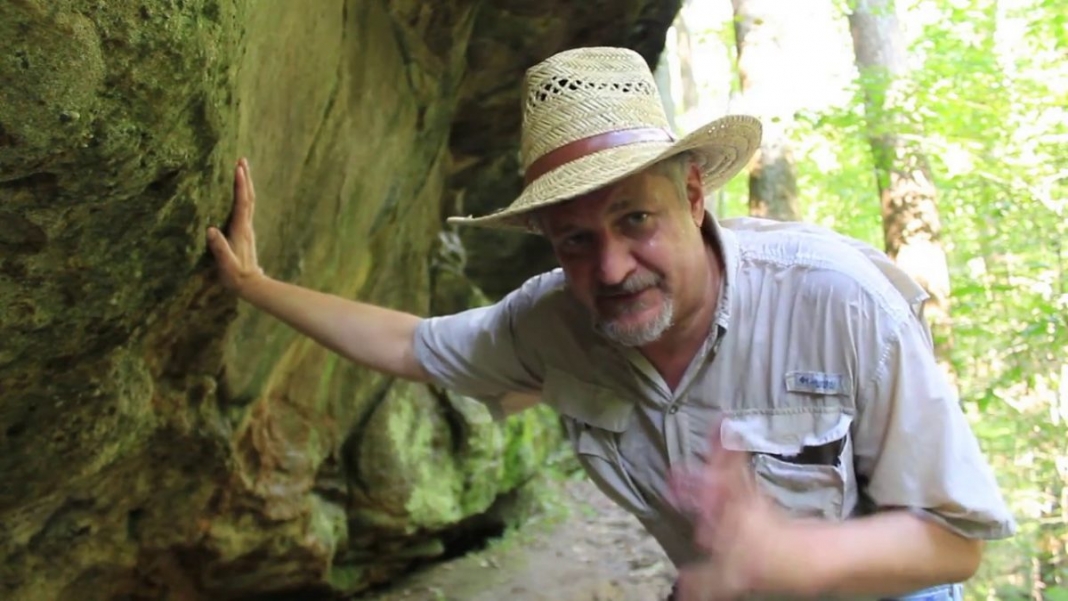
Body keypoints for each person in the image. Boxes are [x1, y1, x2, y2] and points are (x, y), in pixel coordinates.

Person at [206, 46, 1016, 600]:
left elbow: (956, 539)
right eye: (576, 240)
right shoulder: (549, 324)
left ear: (695, 196)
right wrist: (255, 285)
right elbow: (411, 344)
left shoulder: (840, 304)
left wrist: (787, 555)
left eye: (636, 219)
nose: (612, 267)